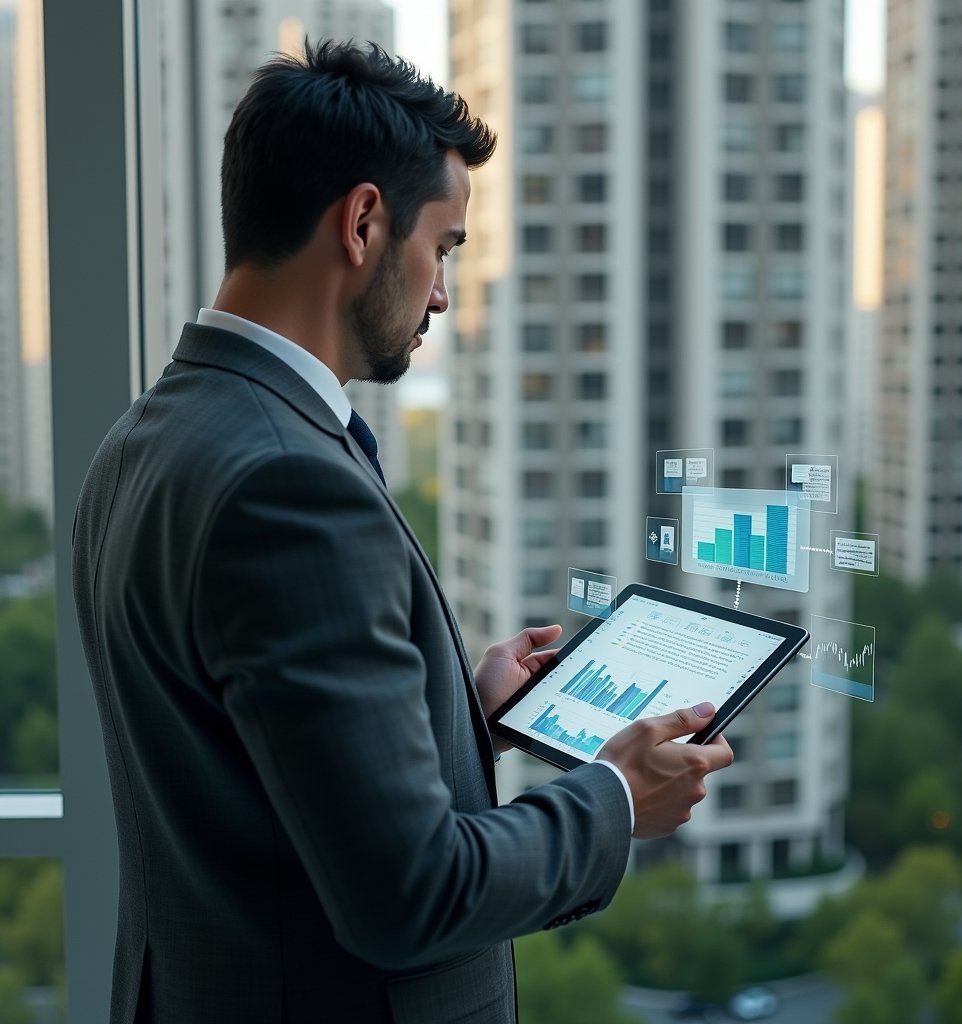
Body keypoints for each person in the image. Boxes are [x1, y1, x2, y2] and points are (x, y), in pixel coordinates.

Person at [72, 39, 733, 1024]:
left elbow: (245, 772)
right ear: (365, 222)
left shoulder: (145, 438)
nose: (441, 294)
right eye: (444, 249)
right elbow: (408, 895)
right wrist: (613, 798)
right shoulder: (288, 483)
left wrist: (461, 714)